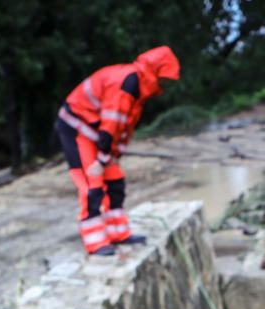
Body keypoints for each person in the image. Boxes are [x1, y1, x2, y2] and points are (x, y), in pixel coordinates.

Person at [55, 46, 181, 255]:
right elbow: (111, 126)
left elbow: (123, 127)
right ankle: (95, 242)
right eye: (164, 78)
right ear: (156, 71)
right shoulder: (126, 83)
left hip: (95, 133)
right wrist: (102, 160)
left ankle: (117, 233)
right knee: (91, 185)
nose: (164, 84)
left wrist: (113, 157)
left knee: (115, 181)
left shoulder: (138, 88)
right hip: (77, 128)